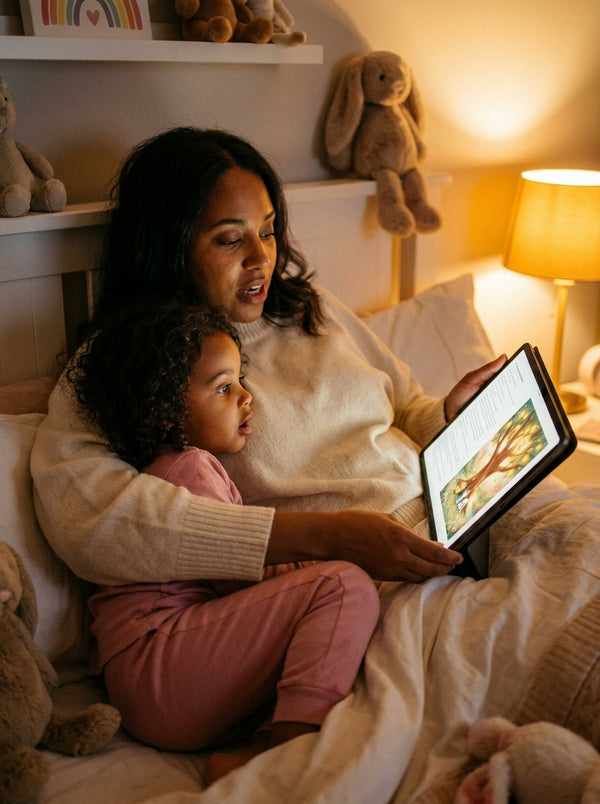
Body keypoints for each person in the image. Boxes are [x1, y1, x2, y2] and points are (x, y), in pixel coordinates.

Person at [31, 127, 505, 771]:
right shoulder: (128, 365)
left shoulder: (315, 310)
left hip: (451, 519)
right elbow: (91, 521)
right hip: (372, 583)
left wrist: (447, 419)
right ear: (168, 247)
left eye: (270, 230)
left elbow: (404, 407)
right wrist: (326, 538)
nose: (263, 259)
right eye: (230, 239)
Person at [64, 296, 380, 778]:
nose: (246, 397)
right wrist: (311, 570)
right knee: (344, 585)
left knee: (312, 629)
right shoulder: (189, 467)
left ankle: (261, 740)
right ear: (165, 410)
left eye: (241, 381)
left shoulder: (160, 472)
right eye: (224, 388)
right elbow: (239, 577)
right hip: (162, 667)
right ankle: (289, 749)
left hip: (145, 684)